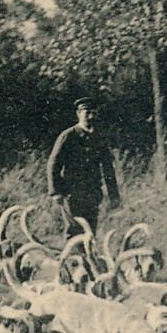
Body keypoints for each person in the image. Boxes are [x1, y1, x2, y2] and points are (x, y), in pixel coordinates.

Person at [47, 96, 121, 236]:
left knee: (90, 232)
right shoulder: (68, 136)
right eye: (87, 112)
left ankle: (86, 258)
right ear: (78, 114)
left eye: (93, 113)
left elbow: (108, 168)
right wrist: (55, 192)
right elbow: (53, 163)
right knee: (74, 231)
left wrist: (114, 195)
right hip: (71, 194)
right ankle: (74, 258)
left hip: (92, 194)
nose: (90, 116)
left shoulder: (98, 138)